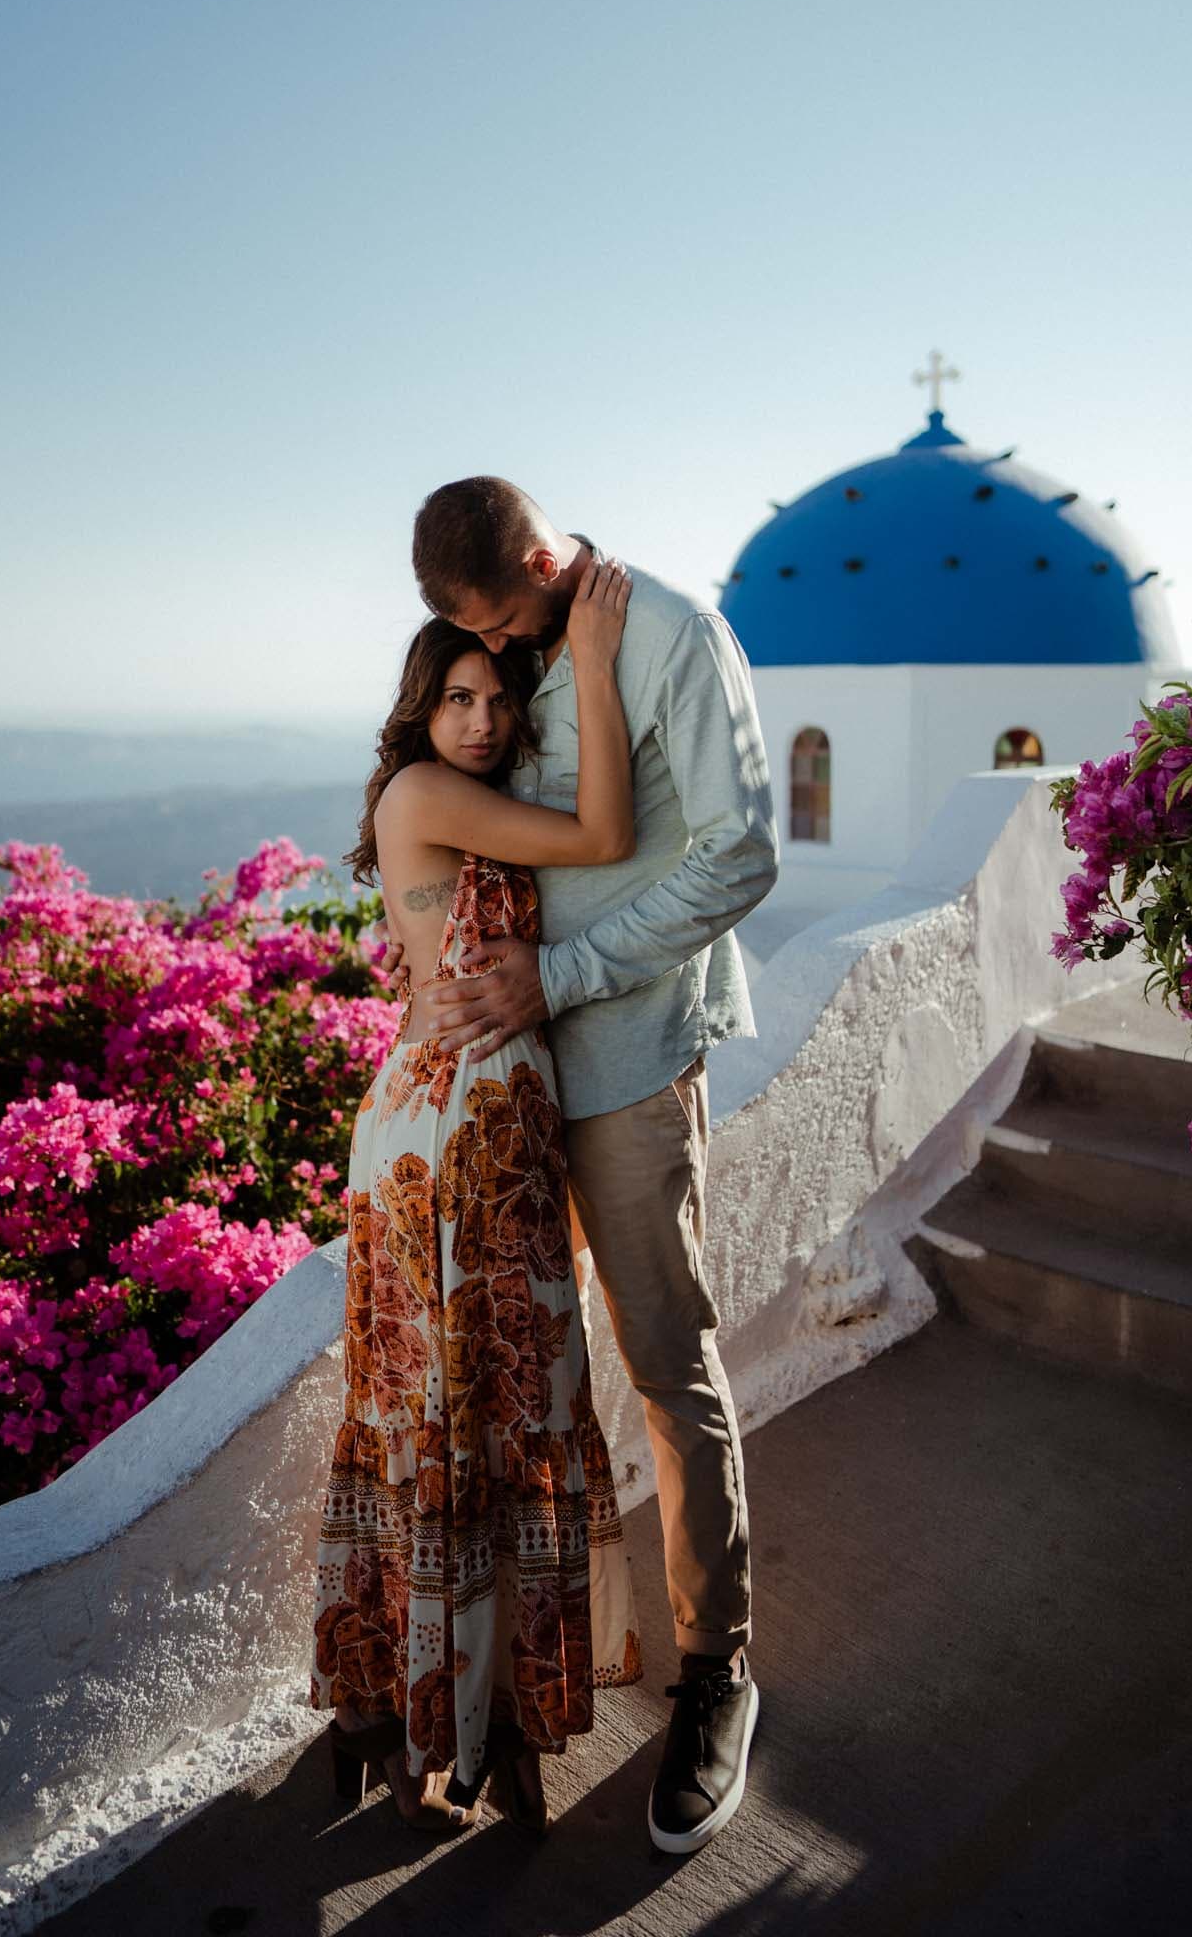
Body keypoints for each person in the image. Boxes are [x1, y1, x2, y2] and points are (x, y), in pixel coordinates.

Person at [401, 477, 779, 1856]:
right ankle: (527, 1665)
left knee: (666, 1367)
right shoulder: (511, 661)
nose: (492, 661)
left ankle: (716, 1672)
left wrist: (559, 976)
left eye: (503, 623)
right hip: (503, 1090)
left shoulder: (668, 631)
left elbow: (741, 853)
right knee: (510, 1382)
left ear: (548, 563)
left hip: (617, 1067)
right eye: (471, 643)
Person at [308, 560, 643, 1835]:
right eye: (456, 696)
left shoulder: (479, 795)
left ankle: (491, 1717)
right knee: (446, 1419)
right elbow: (606, 839)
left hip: (504, 1141)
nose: (482, 721)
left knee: (519, 1414)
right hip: (441, 1144)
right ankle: (408, 1717)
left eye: (500, 697)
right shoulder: (426, 791)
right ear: (416, 712)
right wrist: (598, 664)